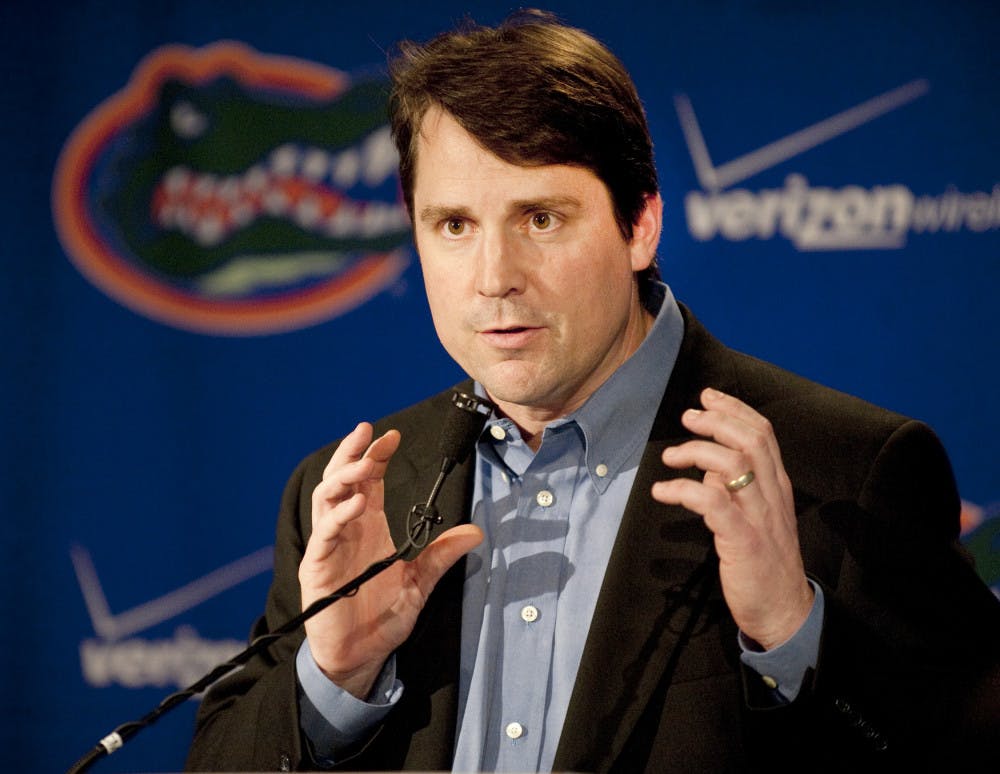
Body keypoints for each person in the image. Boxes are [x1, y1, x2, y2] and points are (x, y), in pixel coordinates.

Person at [185, 10, 1000, 772]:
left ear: (639, 224)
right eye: (455, 226)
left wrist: (791, 637)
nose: (494, 279)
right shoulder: (355, 492)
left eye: (541, 219)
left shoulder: (843, 471)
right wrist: (336, 678)